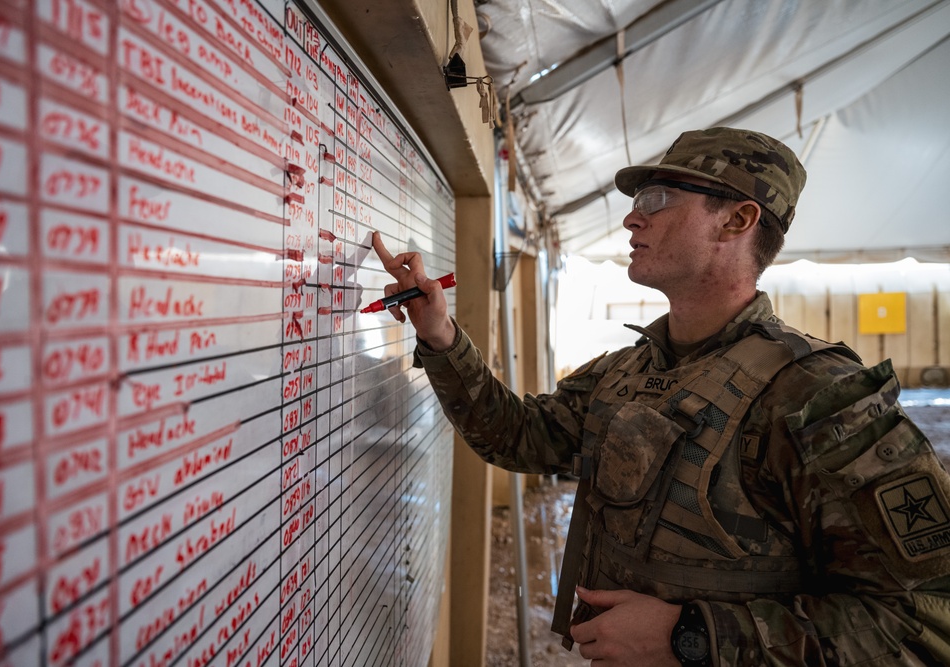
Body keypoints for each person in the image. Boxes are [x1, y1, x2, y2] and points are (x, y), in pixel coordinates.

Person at [371, 127, 950, 666]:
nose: (630, 219)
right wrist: (439, 334)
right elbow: (518, 437)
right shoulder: (624, 373)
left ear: (738, 220)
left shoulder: (818, 396)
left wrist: (692, 637)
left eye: (655, 200)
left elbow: (920, 621)